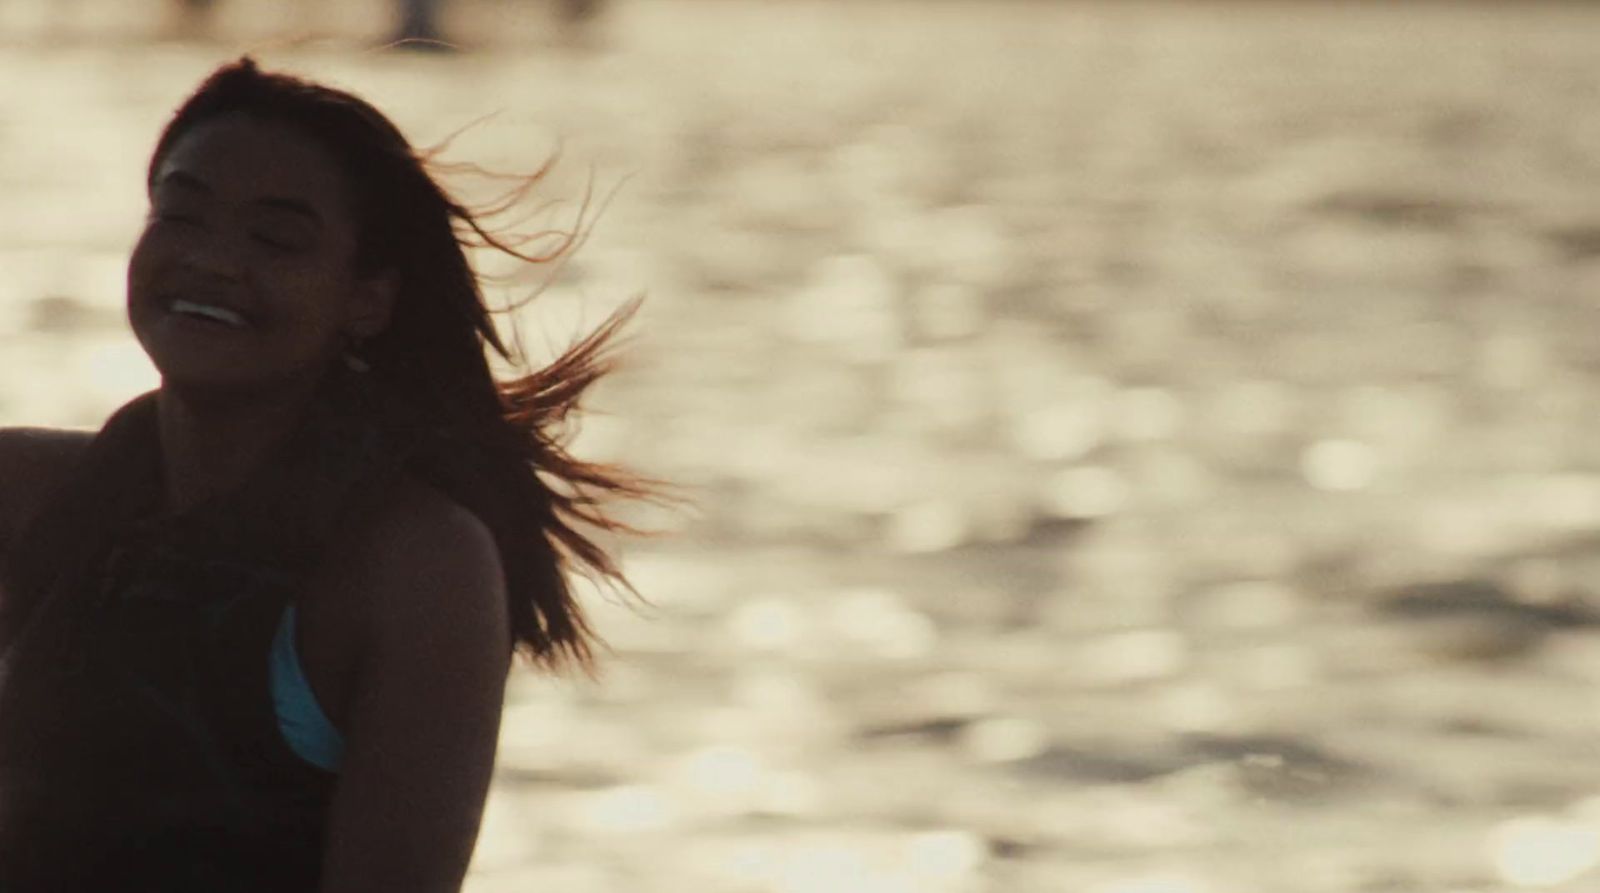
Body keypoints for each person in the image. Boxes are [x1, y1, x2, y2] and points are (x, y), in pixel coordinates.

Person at [0, 57, 647, 892]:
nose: (212, 260)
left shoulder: (417, 563)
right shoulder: (23, 491)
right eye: (181, 213)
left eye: (275, 237)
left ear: (366, 300)